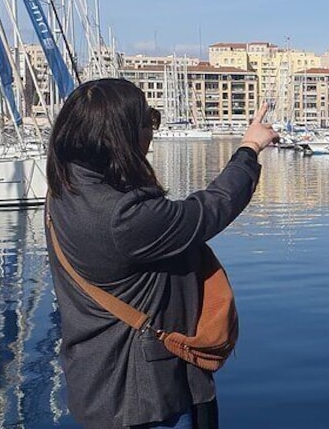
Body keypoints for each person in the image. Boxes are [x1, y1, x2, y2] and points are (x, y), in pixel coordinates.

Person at [45, 78, 277, 429]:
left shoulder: (64, 191)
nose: (152, 131)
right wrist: (249, 148)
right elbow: (209, 210)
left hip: (95, 385)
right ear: (121, 136)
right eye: (148, 120)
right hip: (148, 396)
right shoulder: (123, 217)